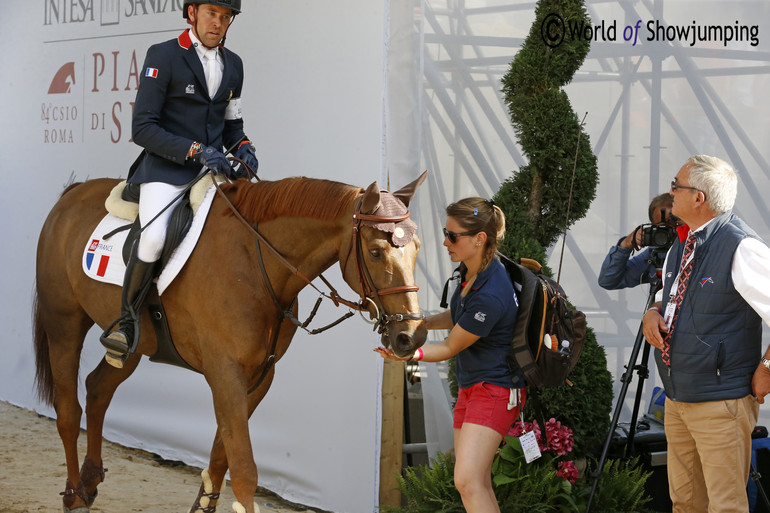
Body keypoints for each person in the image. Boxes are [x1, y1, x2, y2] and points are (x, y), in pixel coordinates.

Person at [100, 0, 259, 369]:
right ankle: (125, 324)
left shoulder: (233, 65)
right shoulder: (164, 55)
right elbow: (143, 128)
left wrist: (245, 149)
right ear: (192, 14)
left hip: (213, 170)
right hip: (166, 170)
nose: (218, 23)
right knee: (154, 237)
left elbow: (232, 126)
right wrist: (195, 150)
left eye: (225, 17)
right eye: (211, 14)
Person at [376, 198, 525, 513]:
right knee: (476, 481)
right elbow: (458, 315)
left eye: (453, 236)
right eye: (447, 232)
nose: (445, 241)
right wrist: (422, 323)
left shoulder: (491, 293)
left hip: (495, 390)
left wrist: (407, 354)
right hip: (474, 387)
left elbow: (449, 347)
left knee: (468, 481)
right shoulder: (473, 272)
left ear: (479, 239)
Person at [642, 155, 770, 513]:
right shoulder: (681, 244)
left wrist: (767, 367)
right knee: (685, 503)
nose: (670, 193)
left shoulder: (741, 245)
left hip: (721, 401)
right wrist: (651, 313)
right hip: (677, 398)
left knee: (725, 506)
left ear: (699, 197)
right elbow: (663, 298)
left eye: (676, 186)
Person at [598, 193, 674, 290]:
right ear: (653, 229)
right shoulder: (656, 254)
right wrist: (625, 245)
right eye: (663, 228)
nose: (671, 230)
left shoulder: (697, 248)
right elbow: (607, 281)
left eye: (675, 222)